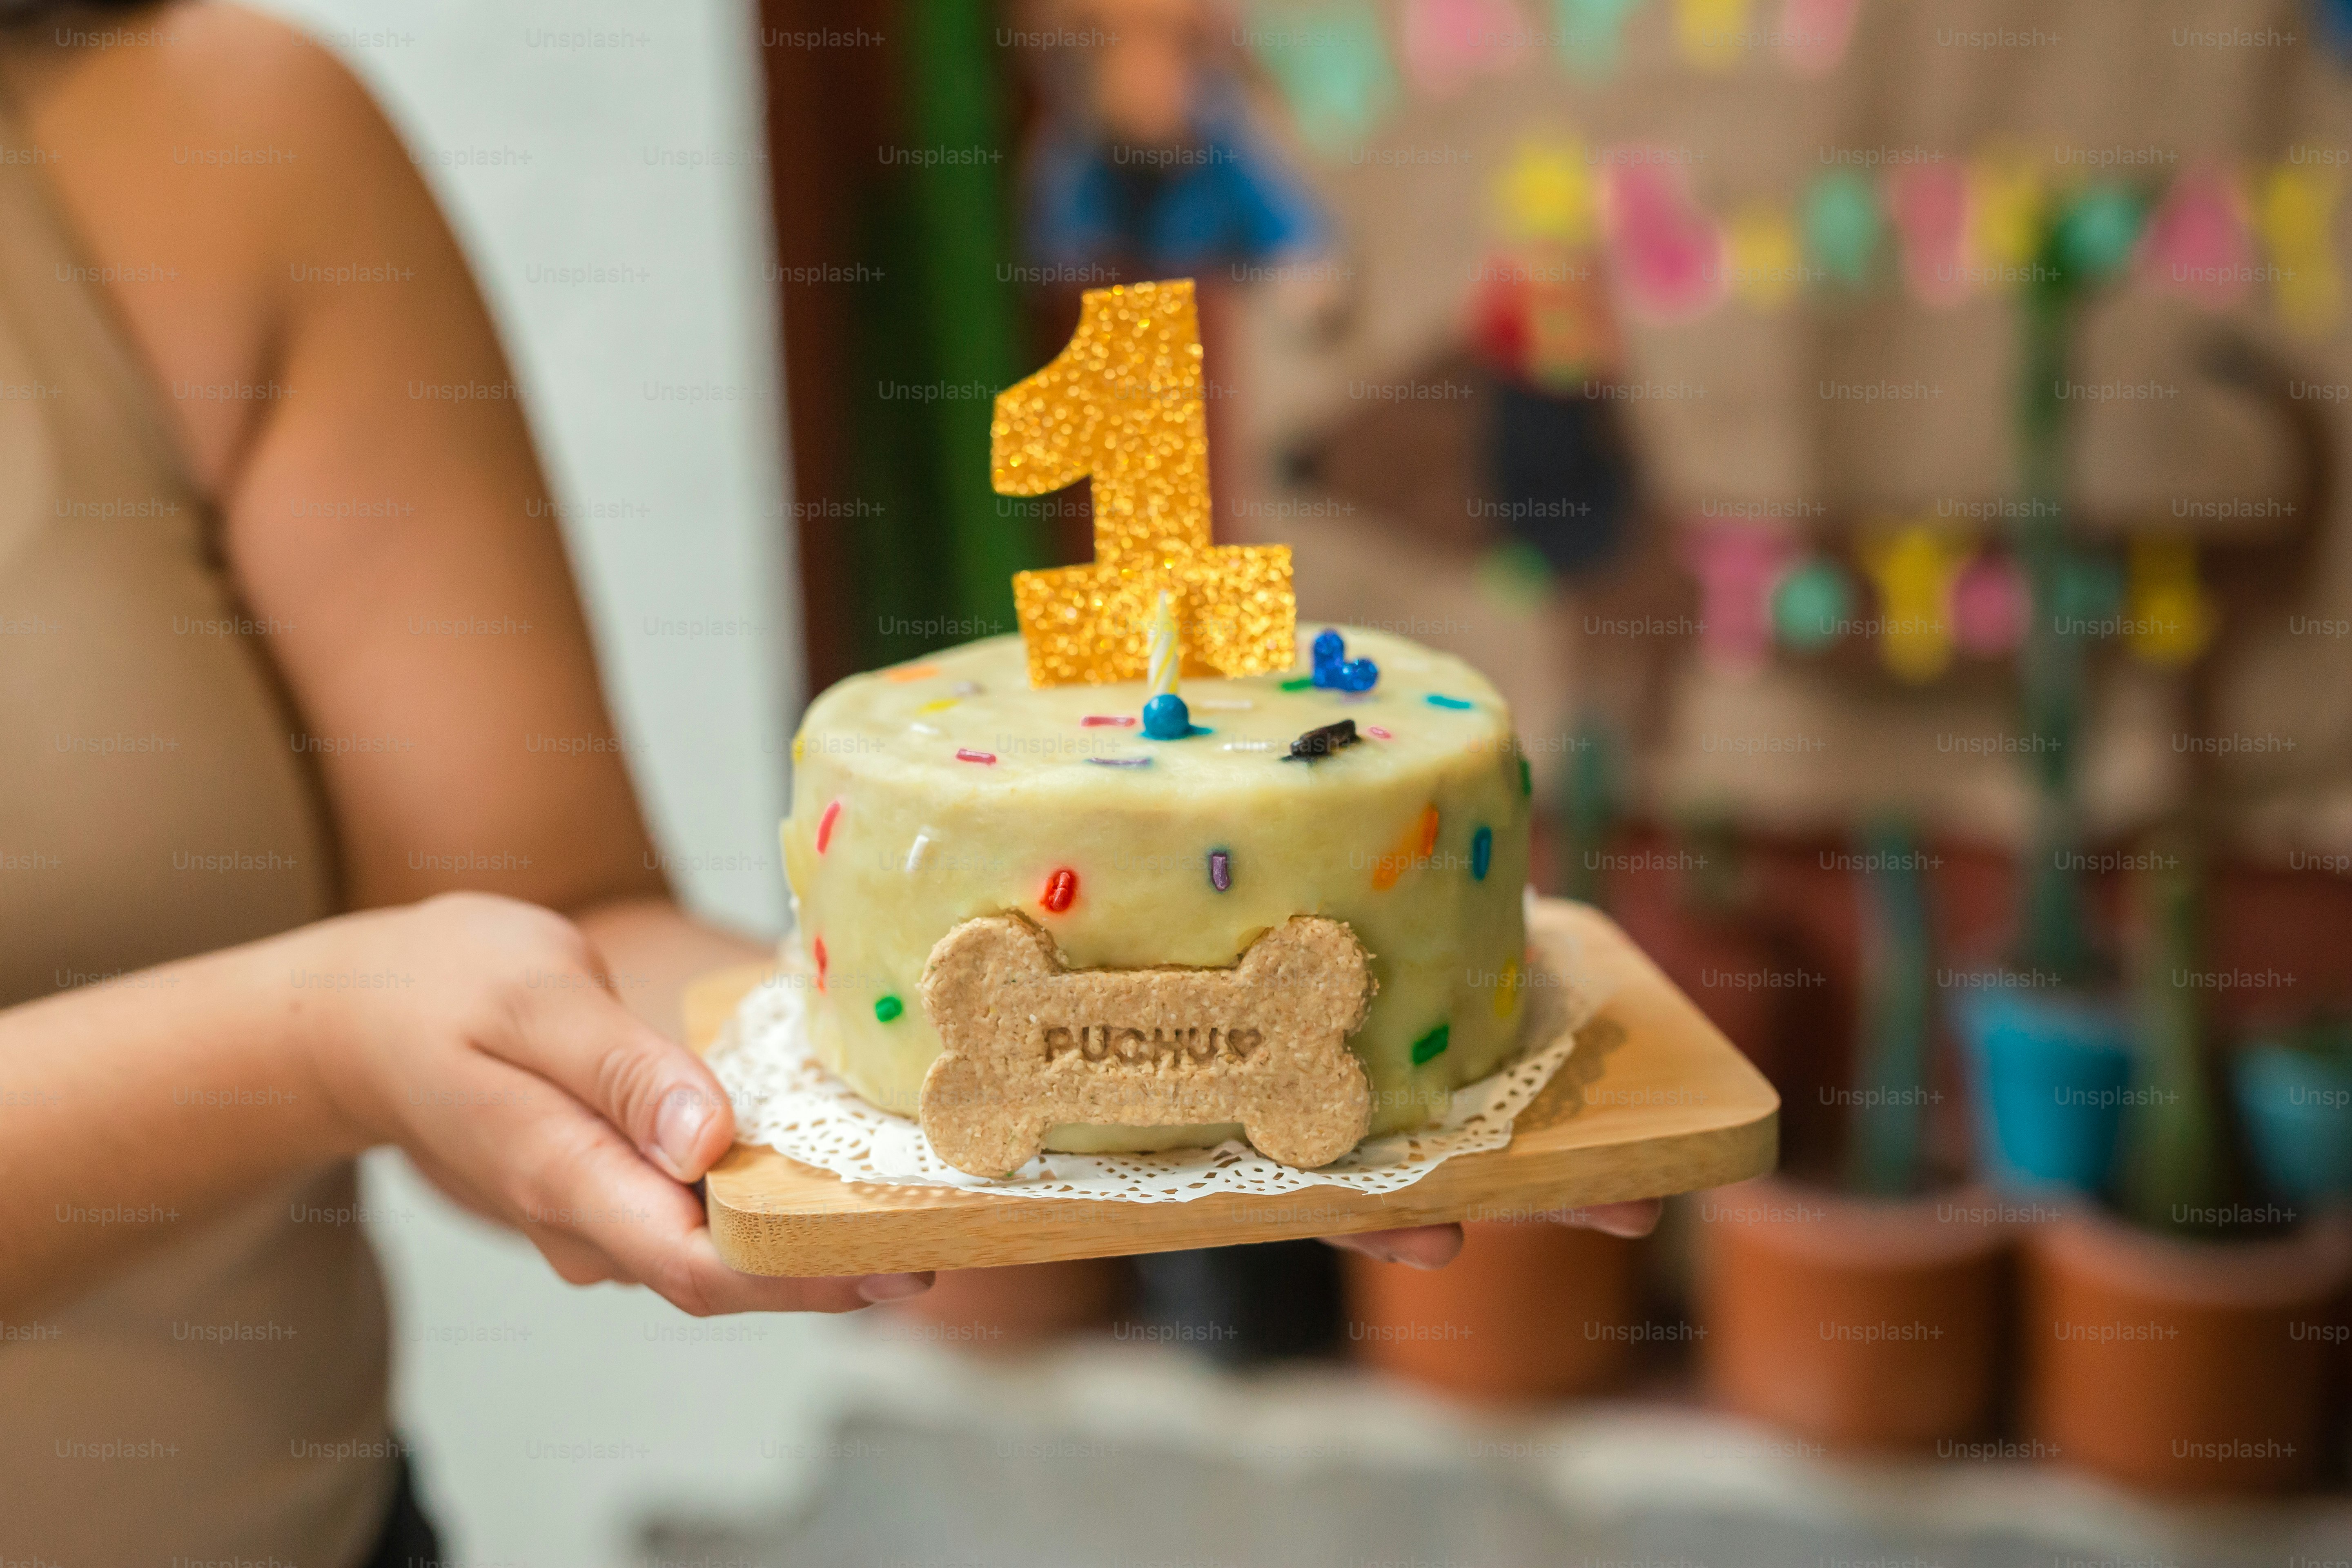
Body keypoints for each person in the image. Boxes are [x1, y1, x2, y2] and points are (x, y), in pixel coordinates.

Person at [0, 7, 1654, 1563]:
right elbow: (386, 1009)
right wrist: (317, 1036)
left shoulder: (212, 136)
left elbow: (555, 928)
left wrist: (1021, 1116)